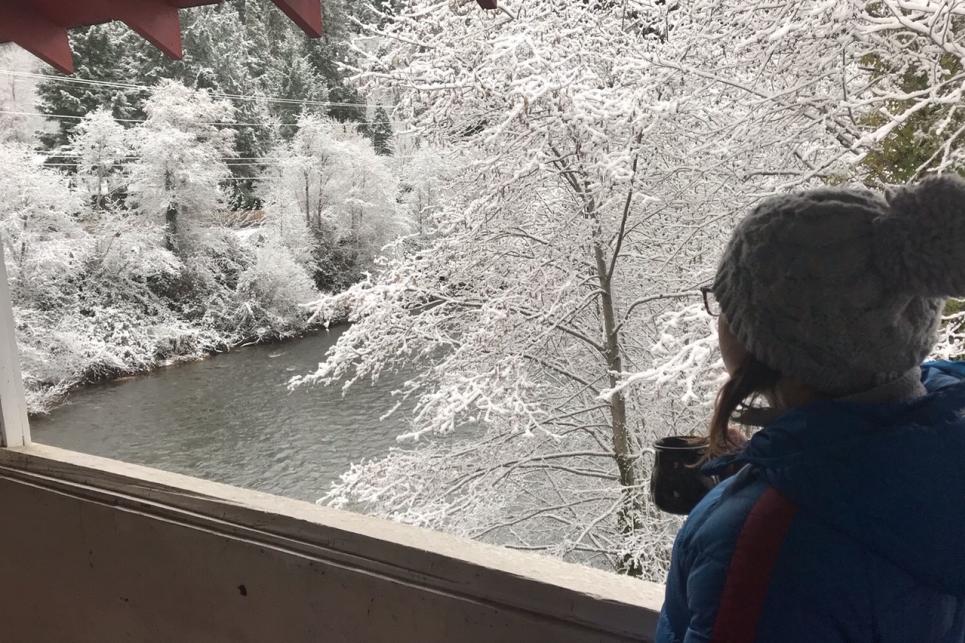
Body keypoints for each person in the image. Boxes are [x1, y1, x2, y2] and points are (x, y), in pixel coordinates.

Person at [656, 175, 965, 643]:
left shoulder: (761, 548)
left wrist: (756, 508)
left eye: (725, 302)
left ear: (769, 339)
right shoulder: (945, 441)